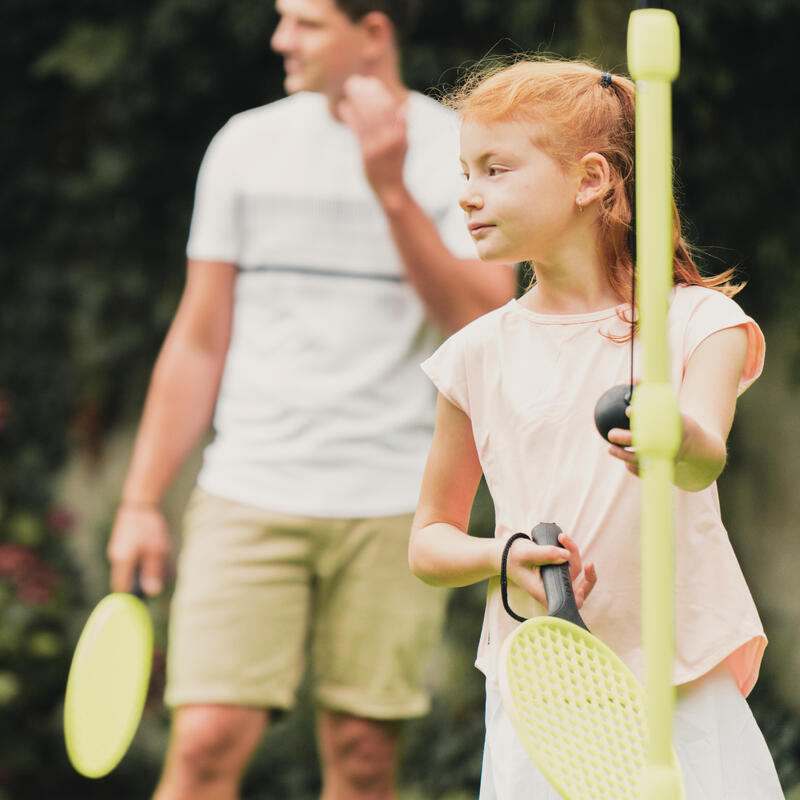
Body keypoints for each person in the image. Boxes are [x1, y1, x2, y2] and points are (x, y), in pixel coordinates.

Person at [105, 1, 517, 798]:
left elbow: (482, 321)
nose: (279, 39)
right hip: (250, 487)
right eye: (282, 19)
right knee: (202, 744)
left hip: (393, 498)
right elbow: (198, 339)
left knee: (365, 756)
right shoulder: (244, 145)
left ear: (373, 33)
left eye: (306, 23)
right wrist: (139, 499)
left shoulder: (454, 152)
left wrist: (391, 190)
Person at [408, 58, 784, 799]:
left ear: (589, 180)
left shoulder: (700, 325)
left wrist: (671, 436)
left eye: (495, 169)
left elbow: (704, 456)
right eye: (465, 170)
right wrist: (502, 554)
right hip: (547, 687)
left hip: (678, 673)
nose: (467, 194)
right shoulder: (477, 355)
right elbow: (428, 541)